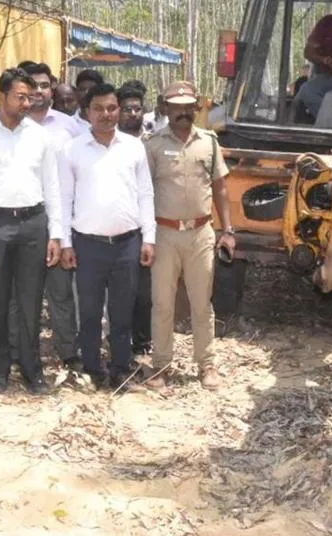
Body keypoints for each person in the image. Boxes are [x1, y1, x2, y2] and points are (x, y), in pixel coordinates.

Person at [0, 67, 61, 395]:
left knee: (31, 301)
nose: (26, 103)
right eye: (20, 97)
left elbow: (53, 188)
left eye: (30, 98)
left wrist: (56, 234)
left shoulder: (39, 136)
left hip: (34, 224)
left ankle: (32, 370)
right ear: (1, 96)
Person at [59, 83, 155, 389]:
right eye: (98, 108)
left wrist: (149, 238)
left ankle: (119, 368)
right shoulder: (72, 149)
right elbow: (63, 199)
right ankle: (91, 368)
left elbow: (146, 194)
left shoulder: (134, 147)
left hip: (128, 243)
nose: (106, 114)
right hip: (87, 245)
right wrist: (65, 243)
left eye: (112, 108)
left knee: (122, 313)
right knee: (88, 313)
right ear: (86, 112)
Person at [143, 81, 236, 391]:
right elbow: (144, 192)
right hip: (164, 234)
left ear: (197, 108)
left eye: (188, 107)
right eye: (176, 107)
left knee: (201, 303)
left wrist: (229, 230)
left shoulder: (209, 143)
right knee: (162, 304)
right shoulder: (153, 145)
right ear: (165, 108)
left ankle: (206, 365)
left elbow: (221, 188)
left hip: (200, 233)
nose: (183, 113)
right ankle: (161, 366)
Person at [23, 63, 81, 371]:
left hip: (60, 221)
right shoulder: (10, 125)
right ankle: (23, 353)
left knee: (60, 293)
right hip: (22, 221)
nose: (38, 91)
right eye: (32, 85)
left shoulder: (69, 126)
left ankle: (68, 352)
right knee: (23, 294)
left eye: (44, 85)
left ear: (53, 88)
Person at [116, 82, 155, 356]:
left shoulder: (153, 143)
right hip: (118, 227)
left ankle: (142, 344)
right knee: (119, 293)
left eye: (137, 109)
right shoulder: (108, 142)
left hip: (146, 227)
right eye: (127, 109)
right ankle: (117, 344)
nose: (132, 113)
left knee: (143, 293)